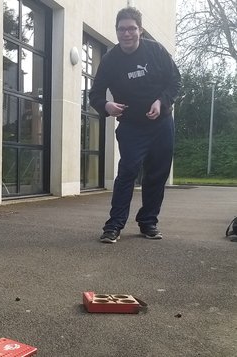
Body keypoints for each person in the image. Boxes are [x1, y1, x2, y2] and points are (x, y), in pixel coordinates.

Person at [89, 7, 182, 243]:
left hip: (161, 124)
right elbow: (95, 95)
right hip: (131, 126)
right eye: (122, 29)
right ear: (117, 31)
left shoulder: (156, 51)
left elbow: (175, 81)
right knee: (127, 172)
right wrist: (107, 106)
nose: (126, 34)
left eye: (131, 28)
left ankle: (148, 222)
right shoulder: (110, 60)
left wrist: (161, 101)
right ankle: (114, 225)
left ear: (140, 30)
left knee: (157, 174)